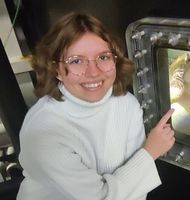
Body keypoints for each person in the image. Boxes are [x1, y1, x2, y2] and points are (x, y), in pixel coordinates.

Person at [17, 12, 175, 200]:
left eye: (103, 57)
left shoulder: (127, 105)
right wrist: (150, 152)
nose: (93, 72)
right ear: (56, 70)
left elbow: (136, 191)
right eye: (76, 61)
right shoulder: (43, 131)